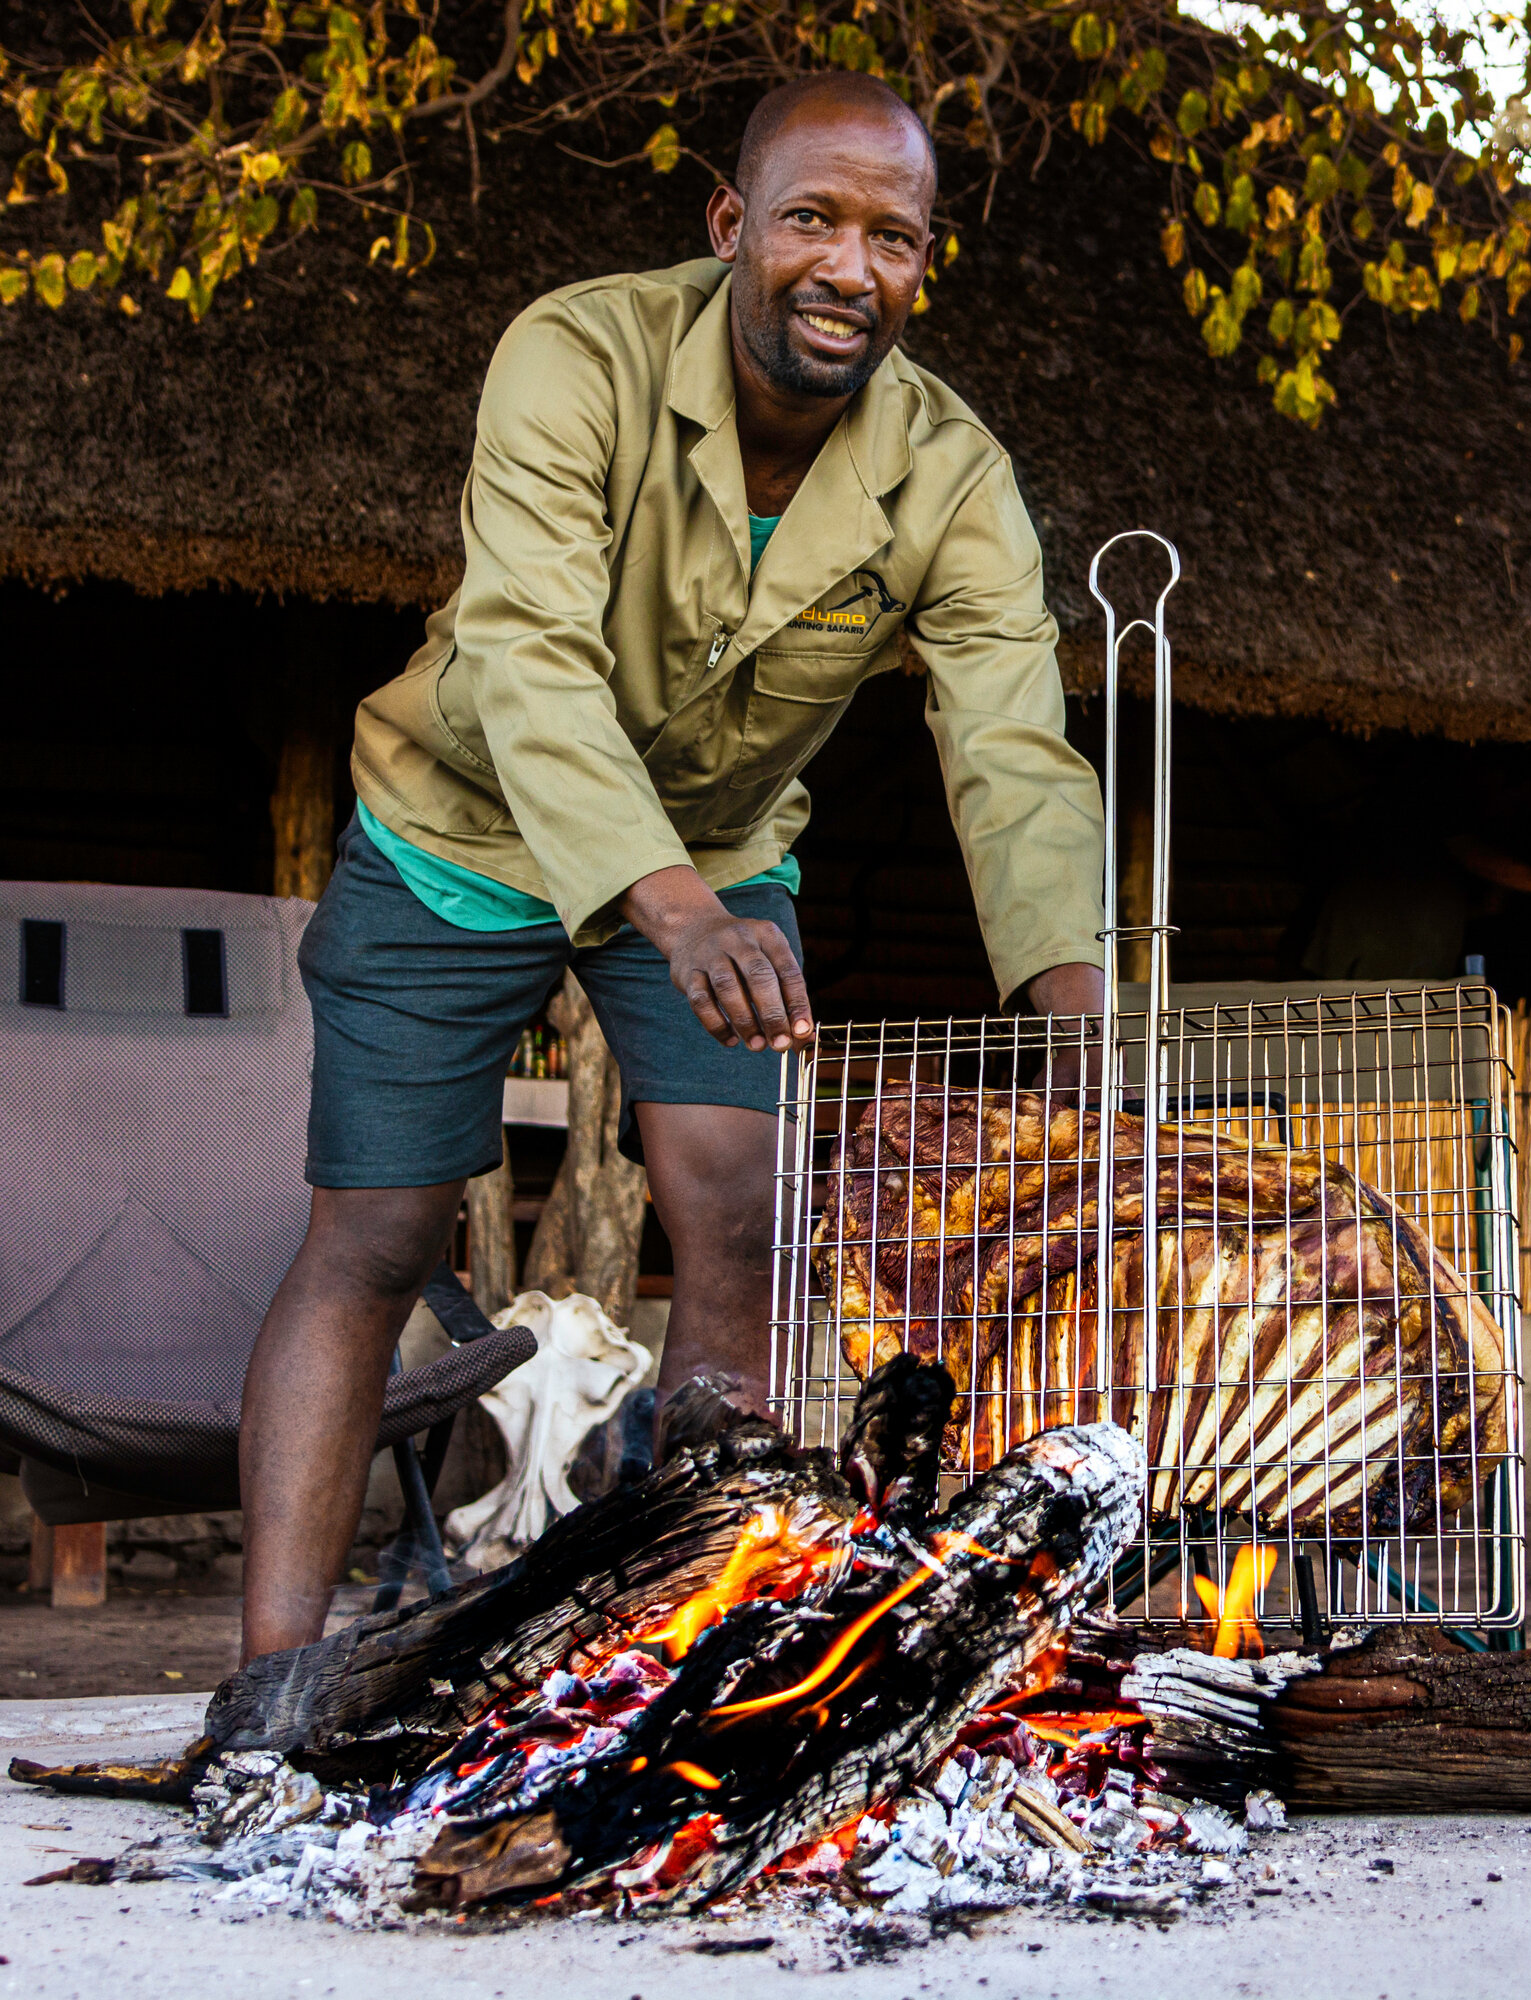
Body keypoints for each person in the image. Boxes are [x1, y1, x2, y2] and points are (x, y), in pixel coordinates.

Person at [233, 74, 1107, 1662]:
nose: (851, 266)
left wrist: (1076, 997)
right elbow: (530, 650)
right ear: (732, 226)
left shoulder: (954, 475)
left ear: (924, 263)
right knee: (371, 1238)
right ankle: (273, 1681)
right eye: (814, 220)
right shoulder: (577, 355)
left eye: (893, 237)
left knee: (742, 1217)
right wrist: (666, 900)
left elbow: (1011, 743)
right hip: (461, 829)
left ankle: (685, 1636)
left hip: (717, 850)